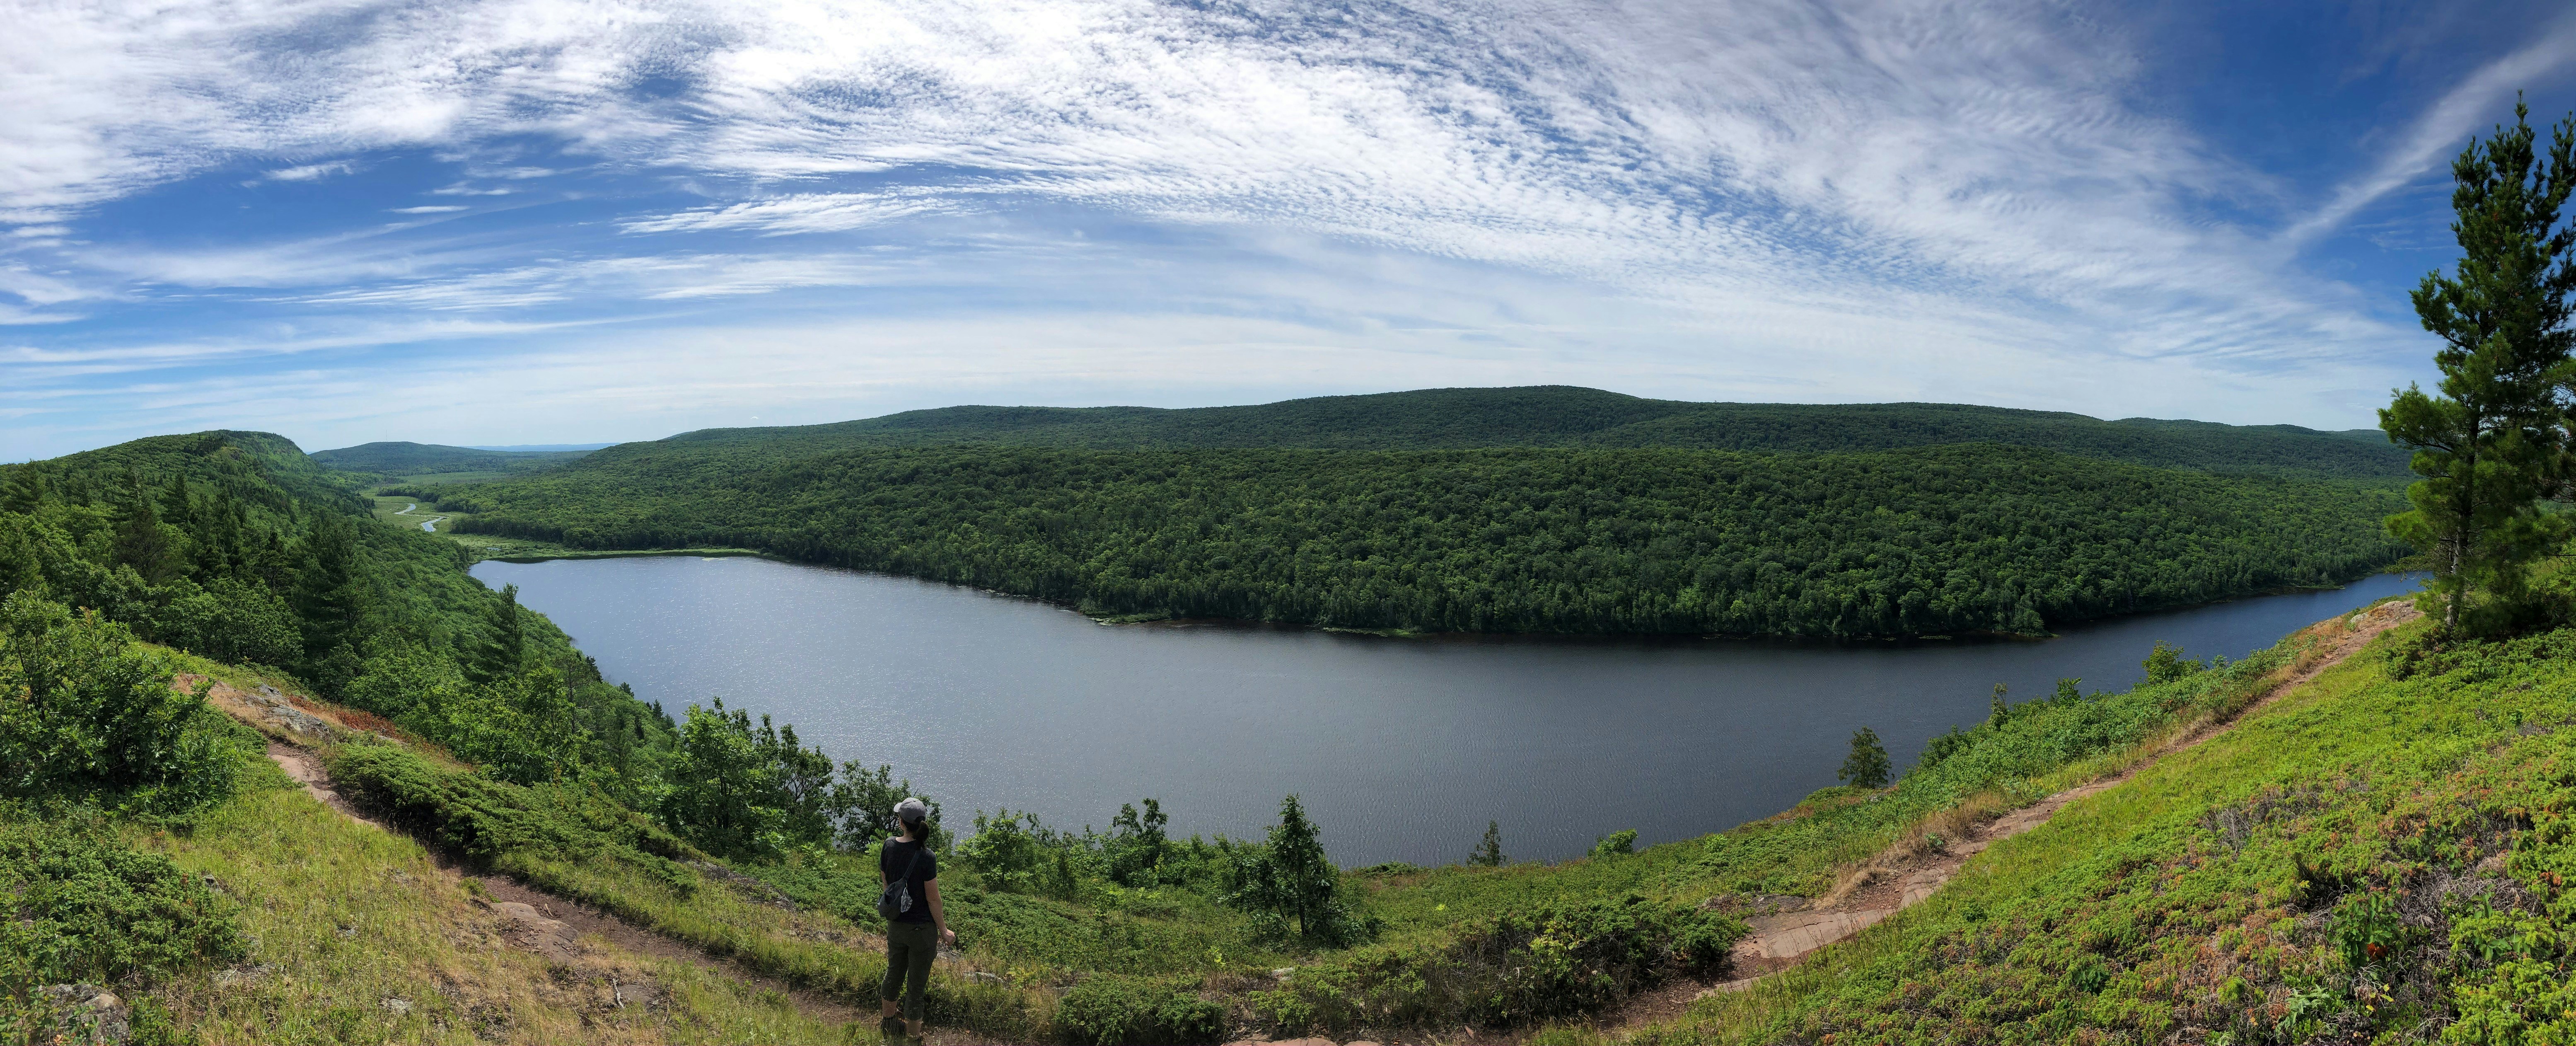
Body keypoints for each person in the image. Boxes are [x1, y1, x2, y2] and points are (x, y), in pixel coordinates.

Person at [880, 797, 953, 1042]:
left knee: (894, 974)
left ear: (901, 823)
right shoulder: (927, 857)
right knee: (916, 986)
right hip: (922, 932)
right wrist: (944, 930)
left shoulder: (889, 846)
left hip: (896, 926)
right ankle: (913, 1038)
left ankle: (888, 1024)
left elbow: (887, 885)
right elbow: (933, 899)